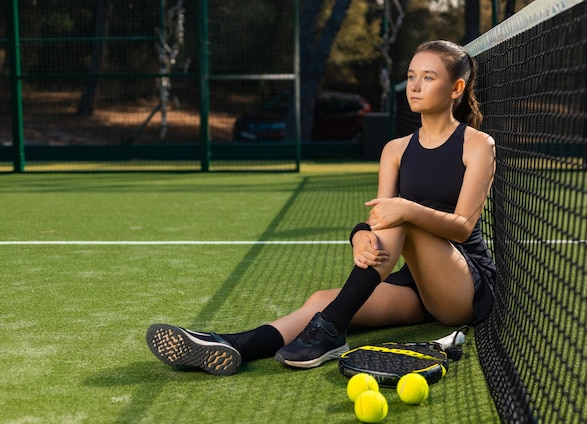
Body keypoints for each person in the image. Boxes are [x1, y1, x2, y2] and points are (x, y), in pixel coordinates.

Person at [145, 40, 496, 376]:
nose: (415, 86)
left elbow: (462, 225)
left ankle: (330, 332)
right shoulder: (395, 150)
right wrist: (359, 236)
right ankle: (234, 345)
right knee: (321, 298)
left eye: (429, 77)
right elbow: (381, 218)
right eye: (411, 75)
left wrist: (403, 210)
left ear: (456, 88)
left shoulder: (478, 144)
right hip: (417, 285)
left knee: (401, 213)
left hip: (463, 287)